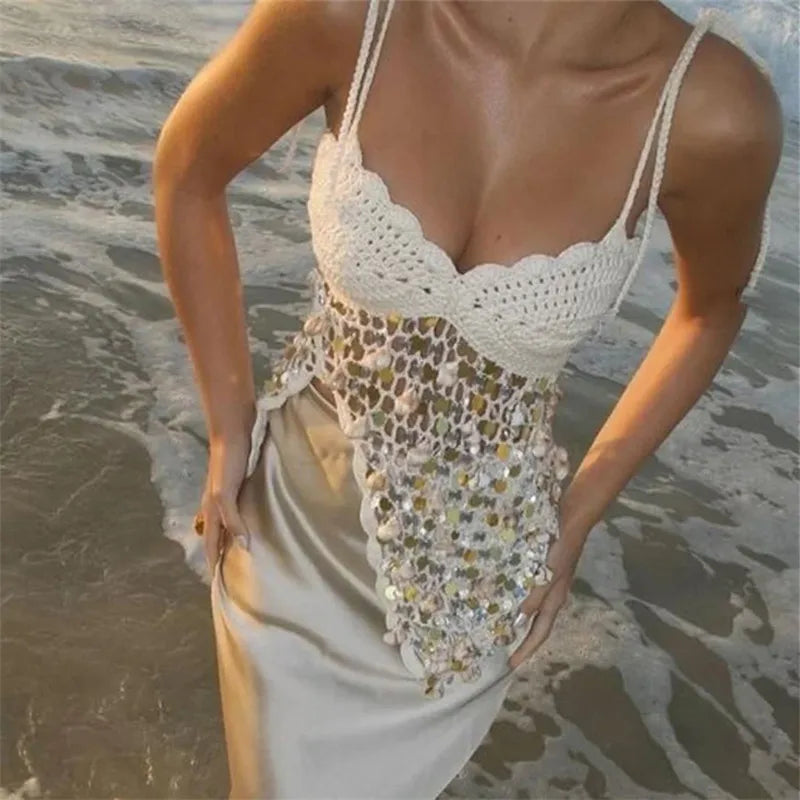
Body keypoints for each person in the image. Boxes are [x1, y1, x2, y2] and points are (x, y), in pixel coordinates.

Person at [153, 0, 782, 796]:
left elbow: (710, 309)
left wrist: (579, 511)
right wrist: (227, 427)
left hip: (471, 588)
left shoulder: (711, 110)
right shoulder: (359, 13)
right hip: (292, 541)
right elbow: (188, 169)